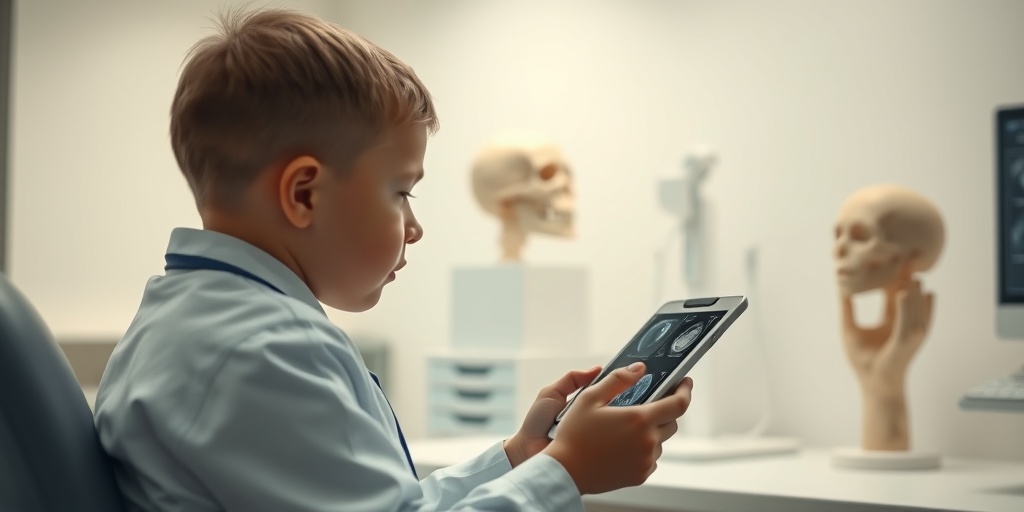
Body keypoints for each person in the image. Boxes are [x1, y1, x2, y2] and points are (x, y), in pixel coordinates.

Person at [93, 7, 694, 511]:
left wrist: (518, 458)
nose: (415, 227)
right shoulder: (260, 352)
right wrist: (566, 472)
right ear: (304, 194)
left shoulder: (202, 324)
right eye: (401, 192)